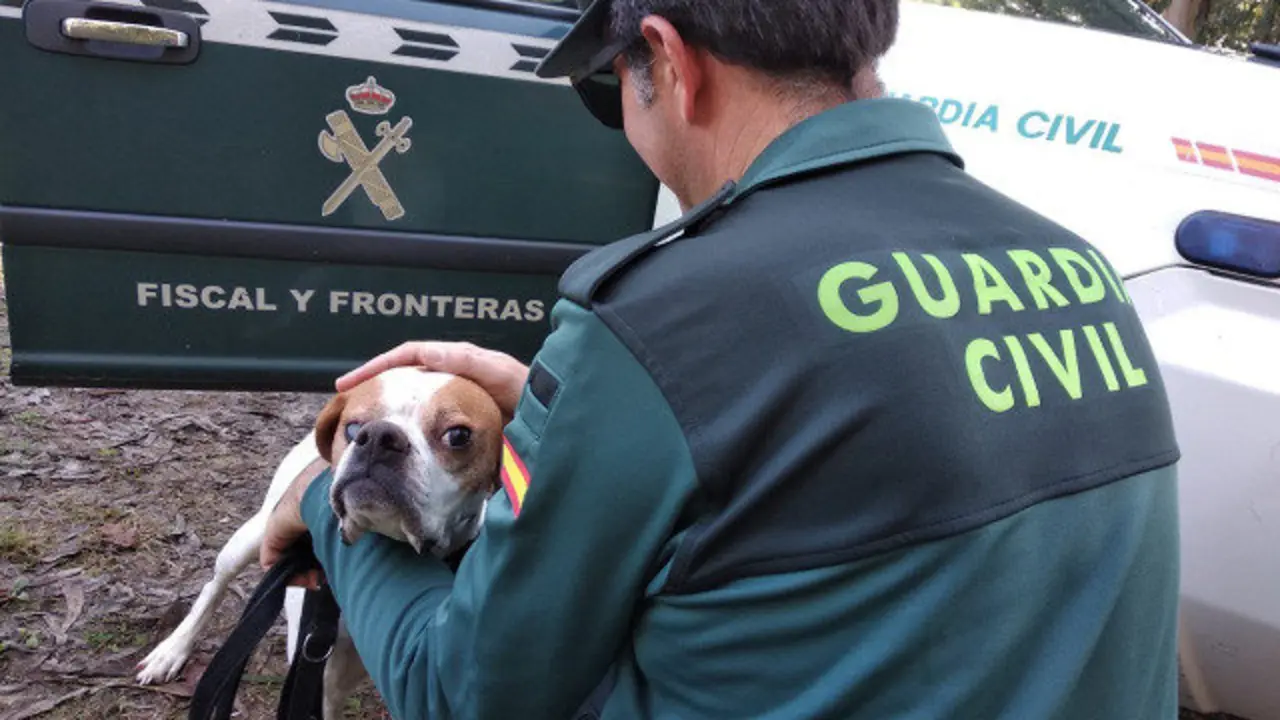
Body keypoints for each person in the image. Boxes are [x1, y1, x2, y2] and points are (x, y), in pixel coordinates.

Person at [261, 0, 1183, 717]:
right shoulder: (1076, 266)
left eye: (608, 87)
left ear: (667, 60)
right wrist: (571, 417)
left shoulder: (662, 321)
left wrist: (315, 493)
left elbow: (463, 692)